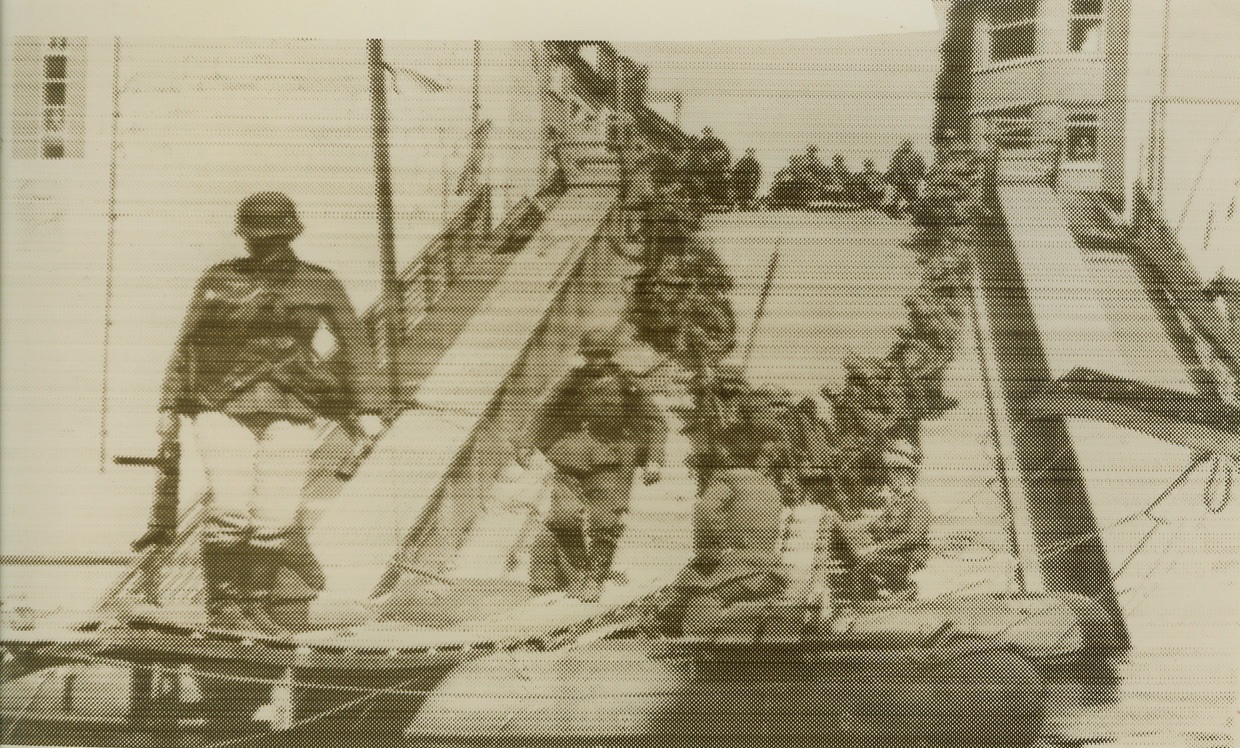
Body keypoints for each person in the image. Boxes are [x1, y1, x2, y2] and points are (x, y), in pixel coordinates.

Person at [156, 191, 385, 635]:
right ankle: (224, 604)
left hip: (291, 403)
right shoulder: (217, 279)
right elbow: (187, 342)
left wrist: (369, 408)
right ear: (243, 237)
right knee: (229, 506)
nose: (264, 245)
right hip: (221, 402)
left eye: (274, 236)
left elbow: (355, 347)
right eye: (256, 238)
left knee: (276, 514)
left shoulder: (319, 282)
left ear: (291, 234)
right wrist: (168, 404)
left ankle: (255, 604)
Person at [518, 327, 668, 602]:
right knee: (562, 517)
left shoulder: (628, 383)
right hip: (572, 454)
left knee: (605, 522)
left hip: (614, 460)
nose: (594, 362)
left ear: (609, 356)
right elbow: (547, 409)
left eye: (599, 356)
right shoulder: (574, 379)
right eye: (589, 356)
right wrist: (526, 442)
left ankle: (595, 579)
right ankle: (582, 569)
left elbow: (656, 421)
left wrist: (655, 460)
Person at [656, 437, 788, 638]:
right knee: (688, 589)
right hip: (772, 575)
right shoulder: (773, 490)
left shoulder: (728, 477)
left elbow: (704, 509)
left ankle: (760, 611)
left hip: (742, 571)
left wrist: (709, 547)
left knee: (692, 619)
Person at [887, 140, 926, 218]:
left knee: (913, 197)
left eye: (908, 145)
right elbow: (893, 167)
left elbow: (922, 167)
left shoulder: (915, 156)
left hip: (911, 180)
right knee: (900, 195)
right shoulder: (898, 155)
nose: (907, 147)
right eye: (905, 145)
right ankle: (894, 209)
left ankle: (913, 210)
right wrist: (894, 177)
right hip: (902, 180)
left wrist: (918, 177)